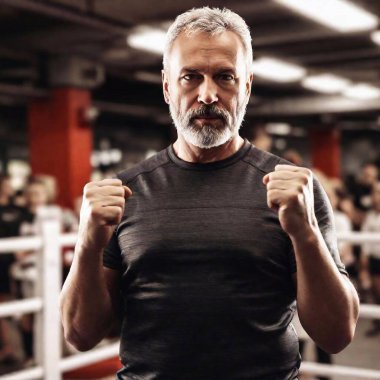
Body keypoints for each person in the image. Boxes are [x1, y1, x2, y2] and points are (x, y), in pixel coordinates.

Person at [60, 7, 359, 380]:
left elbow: (337, 334)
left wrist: (305, 233)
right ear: (168, 87)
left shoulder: (294, 187)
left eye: (225, 77)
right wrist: (88, 244)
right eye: (190, 77)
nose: (207, 94)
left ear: (246, 86)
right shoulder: (127, 191)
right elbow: (81, 334)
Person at [361, 181, 380, 336]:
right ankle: (377, 323)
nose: (377, 196)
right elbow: (365, 237)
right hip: (375, 258)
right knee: (376, 291)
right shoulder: (371, 215)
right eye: (375, 192)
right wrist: (364, 256)